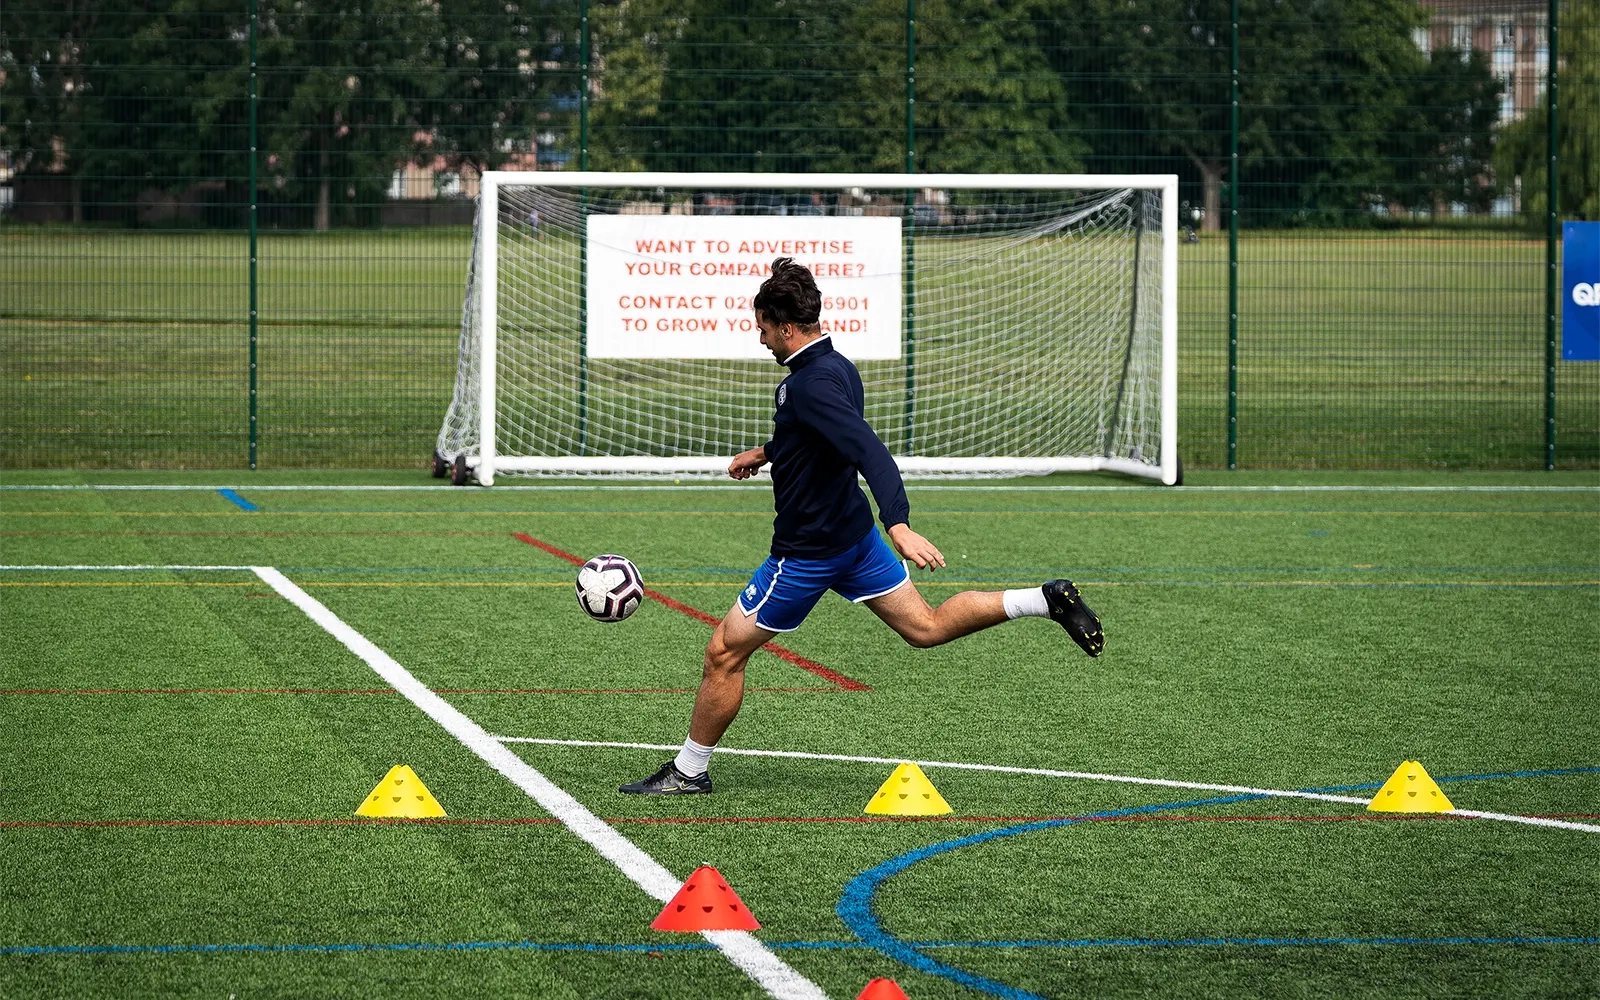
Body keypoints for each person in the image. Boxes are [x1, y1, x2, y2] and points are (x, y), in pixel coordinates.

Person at [620, 258, 1103, 795]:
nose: (759, 340)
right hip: (854, 542)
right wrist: (767, 451)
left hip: (807, 552)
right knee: (926, 628)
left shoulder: (809, 385)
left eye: (761, 328)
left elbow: (869, 450)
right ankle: (1044, 599)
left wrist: (898, 522)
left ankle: (688, 771)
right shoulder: (835, 367)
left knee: (723, 654)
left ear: (785, 326)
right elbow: (816, 438)